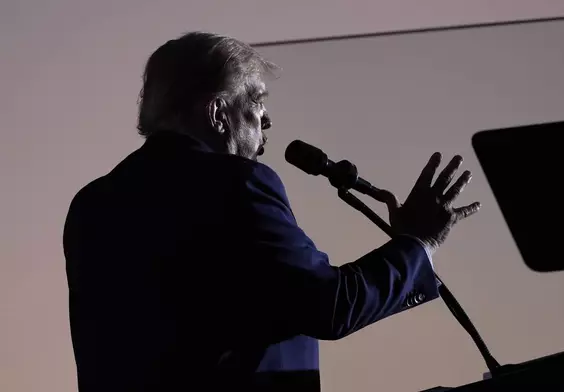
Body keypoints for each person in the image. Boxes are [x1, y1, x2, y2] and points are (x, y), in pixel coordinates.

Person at [63, 32, 480, 391]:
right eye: (257, 102)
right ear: (218, 113)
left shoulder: (91, 204)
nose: (267, 120)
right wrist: (418, 244)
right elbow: (329, 305)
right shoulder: (233, 183)